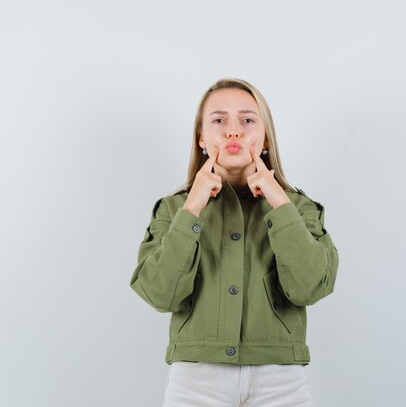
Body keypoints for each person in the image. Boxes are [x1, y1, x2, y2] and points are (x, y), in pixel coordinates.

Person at [129, 78, 339, 407]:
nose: (233, 131)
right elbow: (159, 294)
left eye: (247, 120)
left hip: (280, 380)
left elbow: (310, 286)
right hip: (196, 381)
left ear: (266, 136)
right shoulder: (174, 209)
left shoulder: (298, 208)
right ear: (201, 137)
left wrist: (279, 204)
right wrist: (192, 209)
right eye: (218, 120)